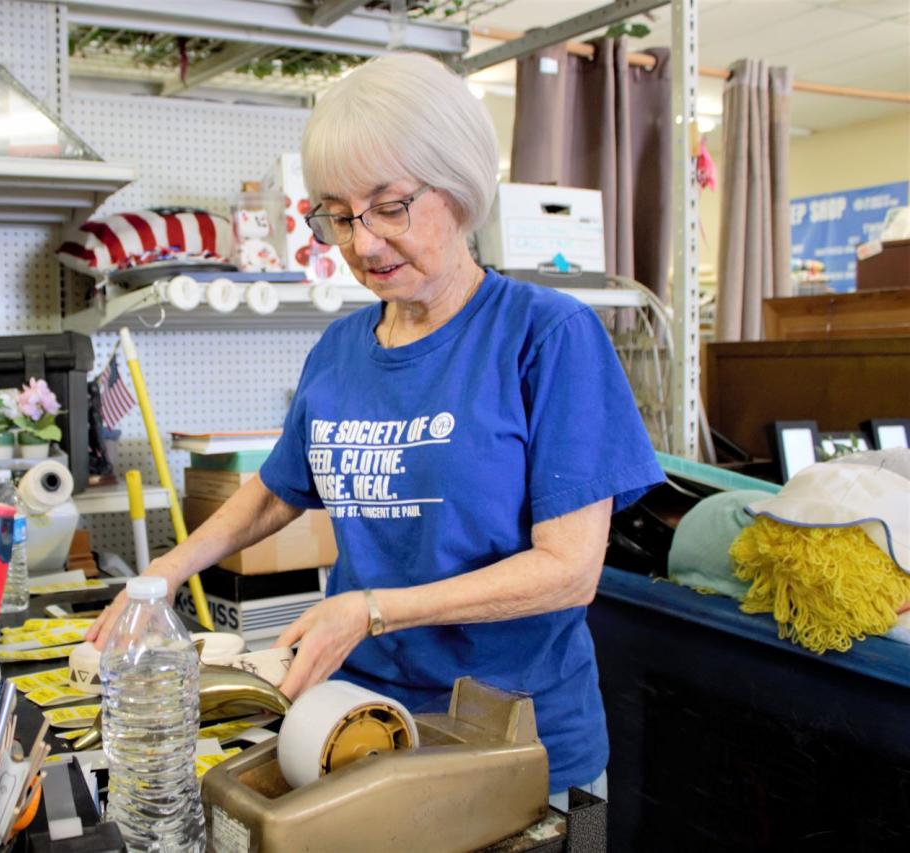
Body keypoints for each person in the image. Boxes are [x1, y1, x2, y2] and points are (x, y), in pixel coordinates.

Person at [88, 52, 664, 804]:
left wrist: (375, 609)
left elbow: (569, 569)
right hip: (358, 730)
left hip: (523, 750)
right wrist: (159, 578)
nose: (361, 243)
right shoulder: (340, 351)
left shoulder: (547, 337)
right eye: (338, 215)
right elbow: (276, 489)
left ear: (457, 188)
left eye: (390, 207)